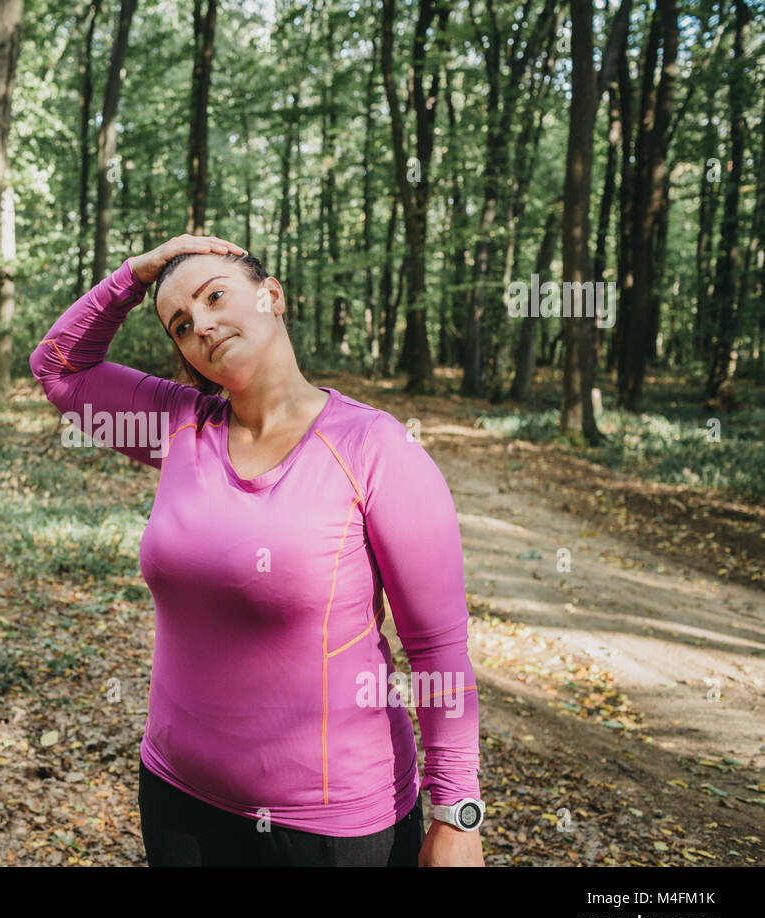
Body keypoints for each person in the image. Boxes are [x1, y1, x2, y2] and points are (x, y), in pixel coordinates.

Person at [29, 234, 484, 866]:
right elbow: (56, 366)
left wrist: (458, 812)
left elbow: (437, 648)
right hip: (177, 799)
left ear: (272, 296)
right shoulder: (178, 425)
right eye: (182, 325)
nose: (204, 326)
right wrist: (134, 275)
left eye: (217, 296)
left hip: (331, 825)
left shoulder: (375, 447)